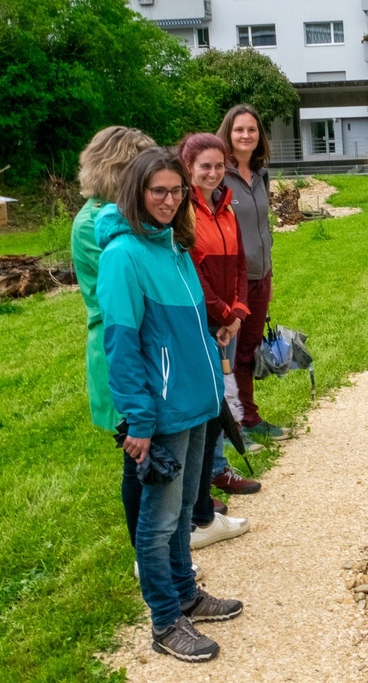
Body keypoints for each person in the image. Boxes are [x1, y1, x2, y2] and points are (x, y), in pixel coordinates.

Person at [96, 147, 242, 663]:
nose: (168, 199)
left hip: (198, 404)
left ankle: (186, 595)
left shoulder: (177, 249)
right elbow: (122, 344)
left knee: (183, 514)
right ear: (136, 192)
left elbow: (196, 331)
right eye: (157, 190)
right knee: (157, 524)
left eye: (176, 191)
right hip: (161, 411)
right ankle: (164, 621)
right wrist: (138, 416)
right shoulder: (123, 255)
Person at [70, 126, 205, 580]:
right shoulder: (104, 227)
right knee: (144, 467)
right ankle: (147, 558)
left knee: (161, 475)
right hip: (130, 354)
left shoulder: (145, 227)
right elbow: (124, 313)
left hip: (160, 352)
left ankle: (169, 564)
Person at [178, 133, 259, 553]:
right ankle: (207, 483)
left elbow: (241, 263)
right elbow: (194, 272)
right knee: (209, 402)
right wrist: (221, 315)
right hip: (204, 319)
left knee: (220, 397)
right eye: (204, 166)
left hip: (228, 318)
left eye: (217, 165)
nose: (212, 173)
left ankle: (218, 471)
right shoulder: (184, 210)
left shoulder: (225, 205)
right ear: (188, 167)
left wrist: (239, 311)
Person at [216, 104, 292, 459]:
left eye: (252, 130)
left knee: (248, 350)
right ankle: (232, 425)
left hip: (262, 275)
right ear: (227, 134)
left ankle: (249, 417)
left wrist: (269, 269)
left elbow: (262, 226)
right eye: (239, 130)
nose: (246, 135)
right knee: (229, 355)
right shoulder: (219, 176)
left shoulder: (260, 173)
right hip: (234, 281)